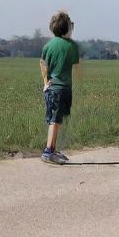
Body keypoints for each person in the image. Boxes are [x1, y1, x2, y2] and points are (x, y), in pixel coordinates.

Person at [40, 10, 81, 164]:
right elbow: (77, 67)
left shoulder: (48, 45)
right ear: (67, 28)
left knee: (54, 119)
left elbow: (42, 63)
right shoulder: (71, 46)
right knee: (55, 121)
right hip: (62, 89)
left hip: (50, 88)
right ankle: (48, 151)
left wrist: (45, 81)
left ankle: (53, 148)